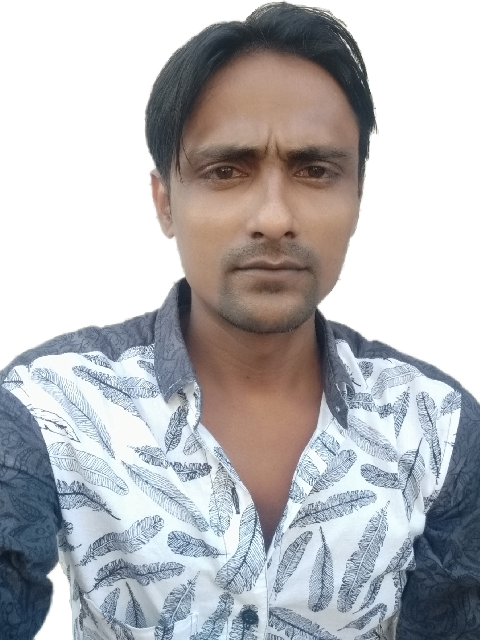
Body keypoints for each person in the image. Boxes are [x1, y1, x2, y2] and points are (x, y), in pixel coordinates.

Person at [1, 2, 478, 639]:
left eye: (316, 170)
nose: (274, 218)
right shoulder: (51, 405)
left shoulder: (436, 425)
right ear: (164, 201)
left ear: (359, 194)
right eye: (226, 170)